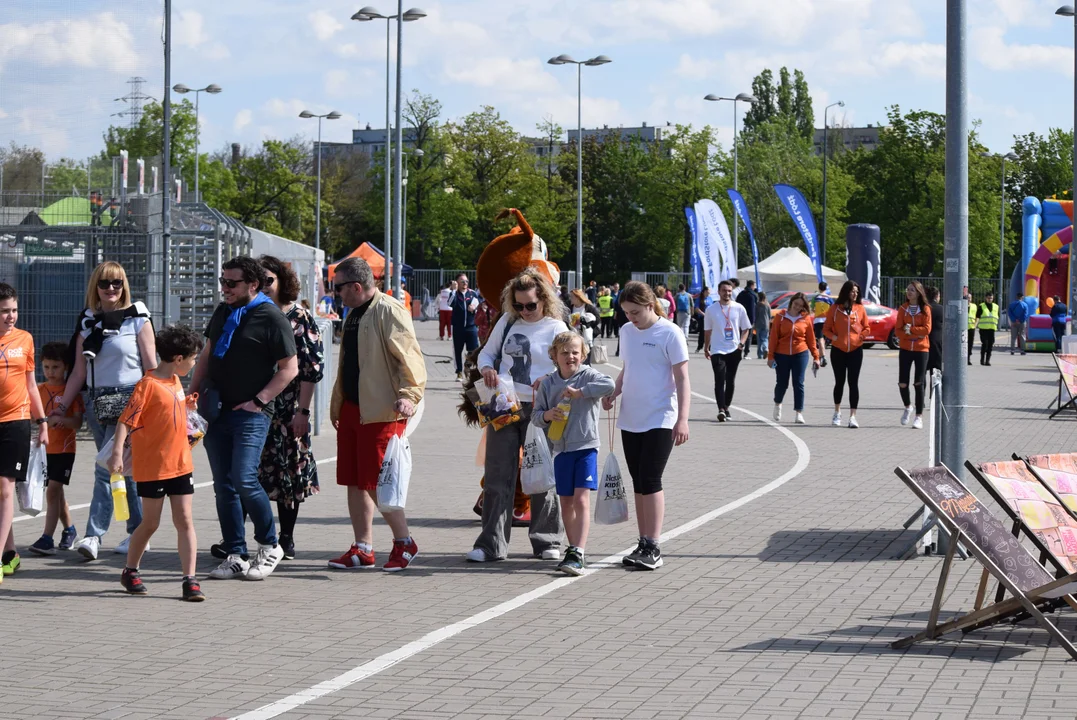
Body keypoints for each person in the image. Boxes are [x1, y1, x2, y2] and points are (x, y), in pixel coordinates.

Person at [191, 256, 298, 581]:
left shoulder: (270, 316)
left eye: (231, 282)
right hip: (217, 410)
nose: (225, 288)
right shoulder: (224, 311)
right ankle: (236, 553)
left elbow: (289, 369)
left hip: (251, 413)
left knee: (244, 479)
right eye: (223, 282)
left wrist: (259, 400)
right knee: (223, 486)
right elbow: (207, 354)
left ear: (253, 285)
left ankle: (270, 545)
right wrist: (190, 399)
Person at [328, 257, 426, 572]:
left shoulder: (390, 310)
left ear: (356, 286)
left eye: (338, 287)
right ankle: (363, 548)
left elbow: (409, 358)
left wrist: (409, 396)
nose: (335, 294)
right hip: (354, 410)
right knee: (355, 481)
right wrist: (339, 404)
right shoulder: (354, 312)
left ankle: (404, 541)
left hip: (382, 412)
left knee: (378, 482)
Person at [468, 268, 568, 563]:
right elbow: (487, 353)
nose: (524, 310)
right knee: (498, 473)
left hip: (540, 407)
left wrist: (550, 376)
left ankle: (547, 539)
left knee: (540, 472)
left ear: (544, 300)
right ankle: (490, 545)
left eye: (530, 305)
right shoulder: (508, 321)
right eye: (519, 305)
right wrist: (487, 368)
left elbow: (569, 361)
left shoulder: (555, 327)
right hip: (503, 403)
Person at [55, 262, 154, 561]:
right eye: (104, 283)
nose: (111, 288)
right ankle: (138, 532)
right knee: (121, 471)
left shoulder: (138, 317)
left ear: (124, 285)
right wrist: (60, 406)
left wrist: (154, 403)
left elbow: (150, 367)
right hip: (97, 402)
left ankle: (93, 535)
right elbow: (78, 374)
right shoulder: (88, 322)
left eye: (117, 283)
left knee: (104, 468)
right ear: (95, 287)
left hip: (130, 399)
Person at [111, 325, 204, 601]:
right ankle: (130, 570)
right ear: (178, 359)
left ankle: (190, 580)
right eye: (193, 358)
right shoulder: (147, 385)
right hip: (153, 466)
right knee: (150, 523)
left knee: (185, 520)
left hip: (180, 463)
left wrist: (187, 406)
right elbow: (126, 421)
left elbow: (169, 411)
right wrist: (117, 453)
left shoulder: (176, 381)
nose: (194, 362)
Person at [601, 281, 690, 571]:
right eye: (626, 312)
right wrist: (614, 391)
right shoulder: (627, 332)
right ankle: (642, 541)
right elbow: (628, 368)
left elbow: (682, 378)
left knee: (651, 480)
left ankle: (654, 545)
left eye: (635, 311)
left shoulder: (670, 332)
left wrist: (683, 419)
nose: (630, 317)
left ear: (650, 305)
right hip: (631, 417)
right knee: (638, 482)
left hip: (660, 417)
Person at [255, 256, 324, 561]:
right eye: (259, 281)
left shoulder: (300, 318)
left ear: (282, 280)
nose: (264, 286)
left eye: (269, 280)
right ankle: (247, 539)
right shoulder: (250, 313)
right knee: (249, 473)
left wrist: (303, 413)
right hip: (253, 407)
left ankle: (287, 538)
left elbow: (310, 370)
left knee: (288, 474)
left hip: (287, 409)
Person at [532, 332, 615, 576]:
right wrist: (549, 415)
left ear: (583, 354)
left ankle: (578, 550)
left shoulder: (588, 375)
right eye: (565, 352)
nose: (571, 356)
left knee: (581, 499)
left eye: (575, 352)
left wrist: (581, 392)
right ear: (554, 356)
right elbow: (536, 416)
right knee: (565, 501)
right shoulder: (548, 383)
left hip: (586, 446)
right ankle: (572, 547)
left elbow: (609, 384)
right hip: (561, 449)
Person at [0, 283, 49, 583]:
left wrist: (41, 421)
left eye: (14, 310)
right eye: (5, 311)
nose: (11, 316)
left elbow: (31, 384)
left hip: (16, 421)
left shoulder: (25, 339)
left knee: (5, 487)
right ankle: (10, 554)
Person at [28, 342, 84, 556]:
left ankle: (46, 538)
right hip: (44, 451)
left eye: (56, 367)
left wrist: (63, 421)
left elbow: (77, 423)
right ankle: (69, 530)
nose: (51, 372)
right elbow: (33, 417)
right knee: (56, 493)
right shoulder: (39, 390)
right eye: (47, 367)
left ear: (66, 367)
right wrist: (41, 421)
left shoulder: (71, 392)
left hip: (64, 450)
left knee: (52, 491)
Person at [767, 292, 820, 425]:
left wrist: (816, 356)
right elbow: (773, 338)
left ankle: (799, 412)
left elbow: (811, 339)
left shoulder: (805, 318)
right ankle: (778, 403)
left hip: (800, 353)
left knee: (799, 383)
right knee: (782, 383)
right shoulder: (780, 316)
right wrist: (770, 356)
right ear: (791, 302)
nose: (797, 307)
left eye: (800, 306)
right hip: (782, 354)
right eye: (796, 304)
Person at [823, 281, 869, 429]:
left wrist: (861, 337)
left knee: (853, 383)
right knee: (840, 382)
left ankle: (853, 416)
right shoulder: (835, 309)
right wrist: (834, 337)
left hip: (856, 350)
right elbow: (826, 329)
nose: (855, 294)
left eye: (856, 291)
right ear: (846, 292)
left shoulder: (860, 309)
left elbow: (867, 328)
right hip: (838, 350)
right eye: (852, 291)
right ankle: (837, 412)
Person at [704, 280, 752, 422]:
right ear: (718, 292)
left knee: (730, 381)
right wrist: (707, 347)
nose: (727, 293)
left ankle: (726, 407)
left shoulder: (739, 308)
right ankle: (720, 409)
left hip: (734, 349)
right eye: (724, 290)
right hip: (718, 350)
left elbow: (746, 328)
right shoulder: (711, 309)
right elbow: (707, 331)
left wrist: (741, 344)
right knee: (719, 379)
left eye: (729, 291)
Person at [896, 281, 932, 429]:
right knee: (902, 383)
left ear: (918, 293)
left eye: (912, 290)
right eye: (908, 290)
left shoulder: (925, 309)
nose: (909, 292)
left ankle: (919, 416)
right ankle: (907, 406)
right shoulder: (902, 309)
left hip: (921, 349)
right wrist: (907, 333)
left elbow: (927, 329)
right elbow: (898, 330)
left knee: (919, 382)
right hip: (905, 348)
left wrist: (911, 330)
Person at [449, 274, 480, 381]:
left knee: (474, 349)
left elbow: (478, 303)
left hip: (471, 326)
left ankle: (468, 363)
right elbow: (450, 303)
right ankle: (459, 372)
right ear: (457, 283)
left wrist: (474, 308)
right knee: (458, 350)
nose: (465, 283)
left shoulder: (472, 293)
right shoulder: (454, 294)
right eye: (462, 281)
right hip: (458, 327)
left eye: (466, 281)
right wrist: (453, 290)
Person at [568, 289, 600, 363]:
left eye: (572, 297)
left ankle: (586, 368)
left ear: (578, 298)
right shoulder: (570, 307)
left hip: (587, 335)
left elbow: (597, 319)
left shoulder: (588, 307)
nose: (570, 299)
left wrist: (587, 325)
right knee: (576, 354)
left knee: (586, 355)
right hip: (574, 334)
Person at [812, 281, 833, 368]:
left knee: (820, 339)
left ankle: (823, 357)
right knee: (823, 340)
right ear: (826, 288)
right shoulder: (829, 298)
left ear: (819, 288)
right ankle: (821, 357)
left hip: (818, 320)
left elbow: (812, 309)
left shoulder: (816, 298)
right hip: (827, 320)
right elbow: (833, 309)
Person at [736, 280, 758, 359]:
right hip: (748, 318)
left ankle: (738, 351)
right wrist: (752, 321)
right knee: (748, 336)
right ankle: (746, 352)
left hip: (739, 318)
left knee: (740, 336)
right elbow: (752, 309)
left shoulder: (741, 294)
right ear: (752, 285)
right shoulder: (752, 296)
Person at [926, 285, 944, 377]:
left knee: (922, 372)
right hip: (937, 342)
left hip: (924, 342)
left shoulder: (923, 308)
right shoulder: (941, 309)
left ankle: (921, 391)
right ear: (937, 296)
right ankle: (935, 391)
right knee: (936, 372)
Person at [977, 291, 999, 366]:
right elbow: (978, 316)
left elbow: (996, 316)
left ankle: (987, 360)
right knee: (985, 344)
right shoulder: (981, 306)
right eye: (988, 298)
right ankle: (982, 359)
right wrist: (975, 324)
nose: (990, 299)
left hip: (992, 329)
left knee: (990, 345)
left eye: (991, 298)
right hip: (983, 329)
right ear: (985, 298)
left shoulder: (996, 306)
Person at [693, 286, 713, 353]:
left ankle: (710, 348)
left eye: (709, 292)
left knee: (710, 332)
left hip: (710, 318)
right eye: (707, 292)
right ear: (704, 292)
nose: (708, 293)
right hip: (702, 318)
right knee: (702, 333)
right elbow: (696, 309)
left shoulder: (710, 299)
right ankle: (699, 347)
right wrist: (704, 314)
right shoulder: (699, 299)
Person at [1008, 291, 1028, 356]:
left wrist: (1014, 320)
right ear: (1022, 297)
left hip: (1013, 322)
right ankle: (1022, 350)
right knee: (1022, 336)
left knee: (1013, 336)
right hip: (1022, 322)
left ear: (1016, 297)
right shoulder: (1025, 305)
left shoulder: (1012, 304)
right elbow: (1025, 314)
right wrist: (1020, 320)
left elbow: (1010, 313)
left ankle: (1012, 350)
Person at [755, 291, 771, 359]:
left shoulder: (757, 305)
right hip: (766, 323)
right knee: (765, 338)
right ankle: (766, 348)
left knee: (759, 339)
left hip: (759, 323)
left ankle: (760, 354)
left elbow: (756, 315)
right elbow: (769, 315)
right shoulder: (767, 304)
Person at [967, 293, 977, 365]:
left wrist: (975, 325)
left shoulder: (974, 306)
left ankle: (968, 358)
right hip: (963, 329)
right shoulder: (963, 306)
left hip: (971, 328)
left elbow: (977, 316)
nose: (969, 299)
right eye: (967, 298)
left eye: (970, 298)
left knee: (970, 344)